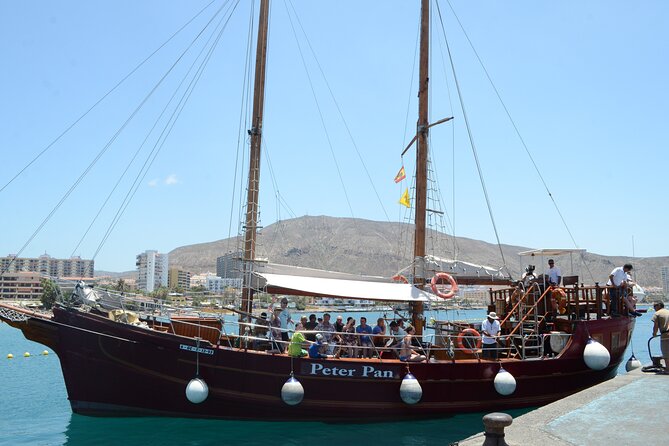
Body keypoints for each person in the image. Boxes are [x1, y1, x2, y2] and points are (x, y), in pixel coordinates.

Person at [651, 301, 669, 374]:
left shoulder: (657, 314)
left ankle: (667, 370)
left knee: (666, 353)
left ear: (658, 306)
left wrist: (654, 334)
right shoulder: (668, 311)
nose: (654, 308)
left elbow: (656, 326)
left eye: (655, 306)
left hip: (665, 335)